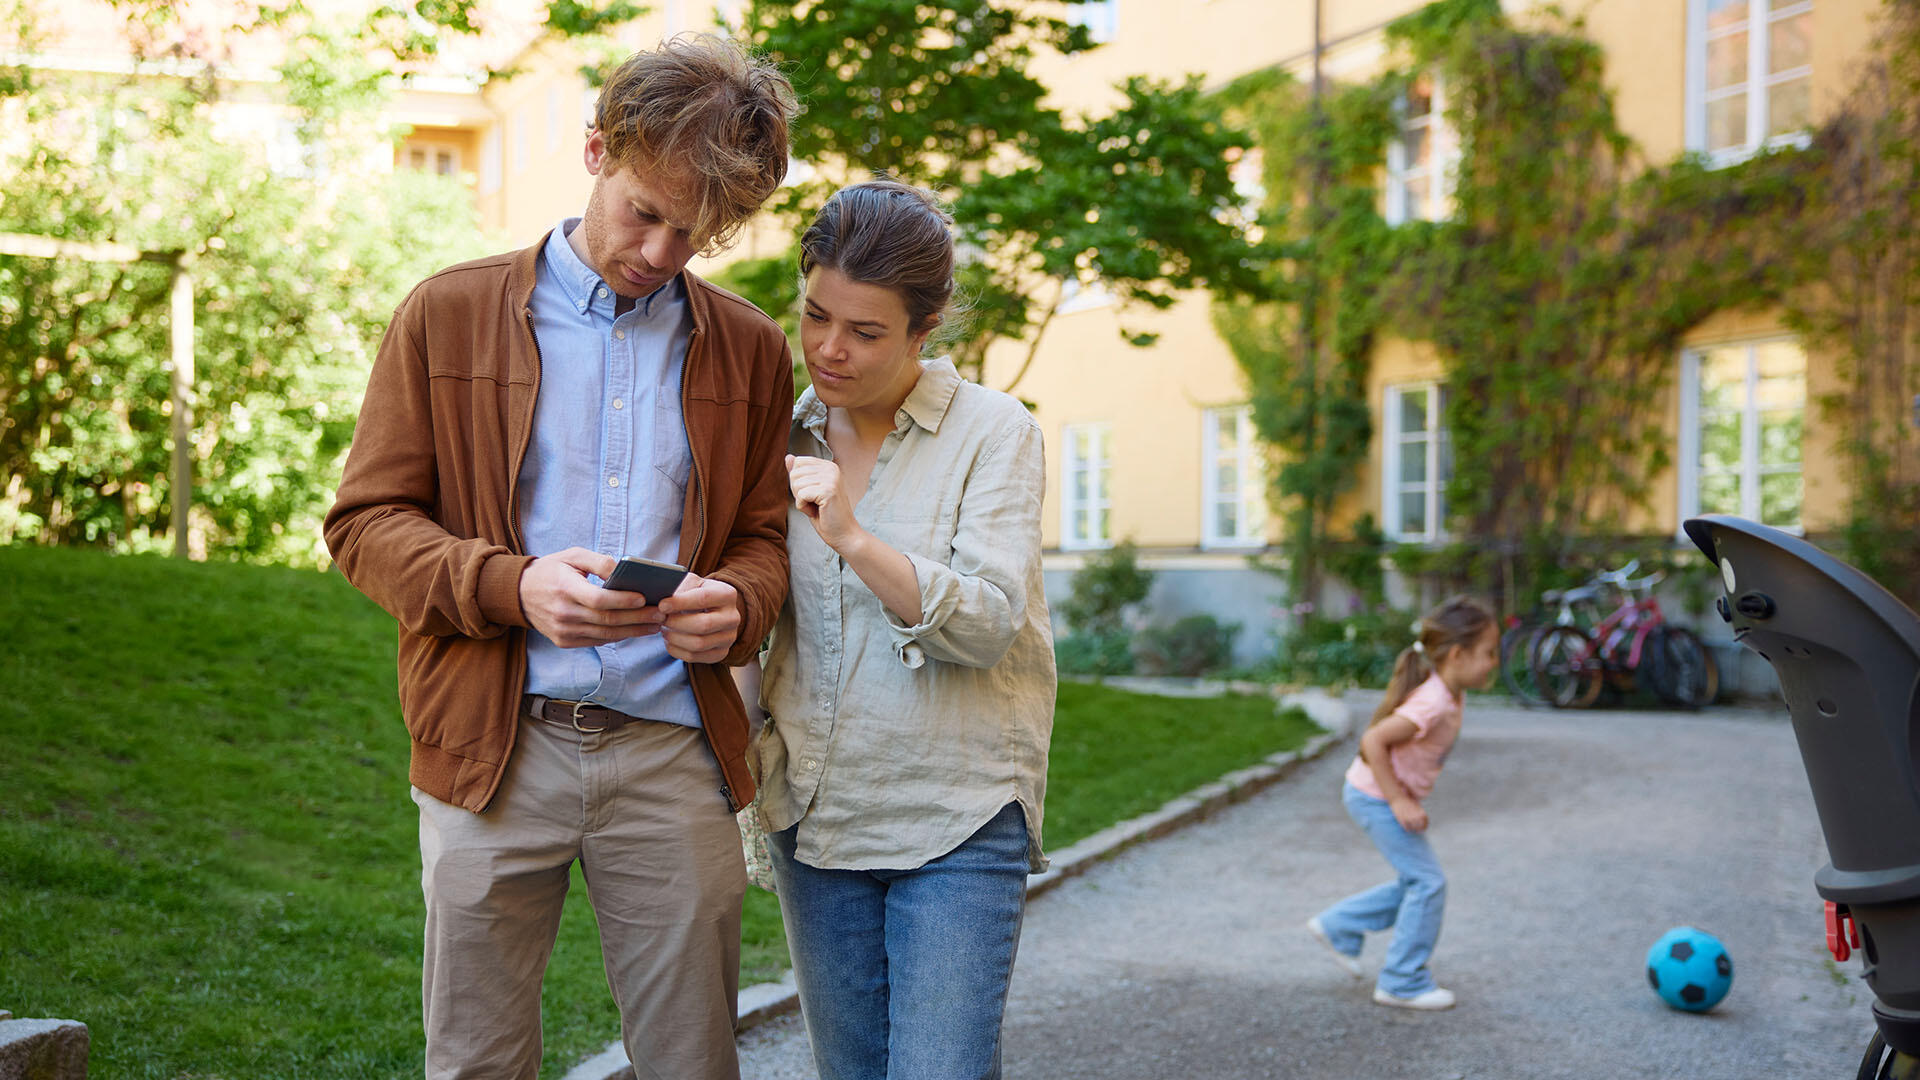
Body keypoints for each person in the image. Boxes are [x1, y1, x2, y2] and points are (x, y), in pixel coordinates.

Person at [322, 35, 798, 1080]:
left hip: (675, 748)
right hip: (493, 750)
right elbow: (363, 524)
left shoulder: (752, 347)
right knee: (477, 1063)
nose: (667, 251)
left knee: (692, 1064)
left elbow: (767, 538)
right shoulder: (447, 315)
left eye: (700, 231)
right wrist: (512, 584)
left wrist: (739, 604)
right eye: (648, 212)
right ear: (595, 150)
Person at [753, 178, 1056, 1080]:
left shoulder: (996, 432)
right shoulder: (781, 433)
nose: (829, 349)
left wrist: (849, 533)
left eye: (867, 332)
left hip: (955, 818)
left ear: (925, 332)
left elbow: (989, 623)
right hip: (816, 815)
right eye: (815, 315)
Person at [1305, 595, 1498, 1011]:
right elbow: (1372, 739)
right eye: (1489, 653)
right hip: (1374, 797)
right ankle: (1401, 980)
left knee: (1416, 881)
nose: (1495, 662)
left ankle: (1339, 926)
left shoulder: (1449, 692)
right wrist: (1398, 800)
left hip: (1374, 794)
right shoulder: (1431, 702)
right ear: (1458, 654)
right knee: (1428, 883)